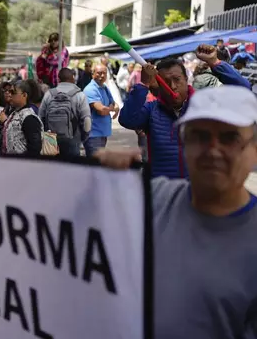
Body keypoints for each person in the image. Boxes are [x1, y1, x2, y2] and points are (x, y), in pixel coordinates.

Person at [95, 85, 257, 339]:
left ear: (254, 149)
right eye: (199, 137)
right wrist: (94, 181)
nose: (213, 150)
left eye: (229, 138)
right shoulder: (152, 199)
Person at [119, 44, 251, 178]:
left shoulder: (206, 105)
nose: (172, 86)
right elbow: (126, 120)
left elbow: (244, 91)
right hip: (163, 192)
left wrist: (215, 62)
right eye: (165, 82)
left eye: (177, 80)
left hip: (200, 192)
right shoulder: (152, 109)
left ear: (186, 79)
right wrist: (143, 85)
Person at [39, 68, 92, 157]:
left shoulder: (49, 94)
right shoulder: (80, 95)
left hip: (51, 139)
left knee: (53, 168)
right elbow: (87, 120)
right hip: (73, 139)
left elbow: (40, 117)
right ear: (73, 78)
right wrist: (84, 137)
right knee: (71, 168)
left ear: (59, 79)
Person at [83, 64, 119, 156]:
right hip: (93, 135)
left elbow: (114, 103)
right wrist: (112, 108)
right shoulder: (90, 89)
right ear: (93, 74)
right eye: (99, 73)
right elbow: (102, 111)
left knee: (98, 166)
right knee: (94, 166)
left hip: (102, 134)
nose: (102, 76)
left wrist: (113, 107)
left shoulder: (104, 87)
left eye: (104, 73)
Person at [1, 80, 42, 156]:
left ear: (24, 95)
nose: (9, 95)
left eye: (13, 92)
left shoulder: (30, 118)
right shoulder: (14, 113)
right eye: (9, 91)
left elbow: (35, 149)